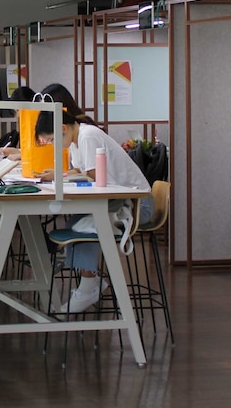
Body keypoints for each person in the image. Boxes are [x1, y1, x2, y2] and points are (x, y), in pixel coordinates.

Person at [35, 110, 153, 313]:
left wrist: (62, 177)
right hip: (120, 201)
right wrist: (57, 174)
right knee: (77, 223)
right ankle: (89, 283)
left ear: (63, 128)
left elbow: (92, 176)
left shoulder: (87, 136)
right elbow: (82, 171)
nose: (54, 145)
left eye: (52, 140)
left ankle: (89, 286)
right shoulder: (77, 139)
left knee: (82, 228)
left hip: (137, 205)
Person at [34, 83, 96, 181]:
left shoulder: (85, 135)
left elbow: (93, 175)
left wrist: (59, 176)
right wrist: (59, 174)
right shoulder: (72, 136)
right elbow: (78, 170)